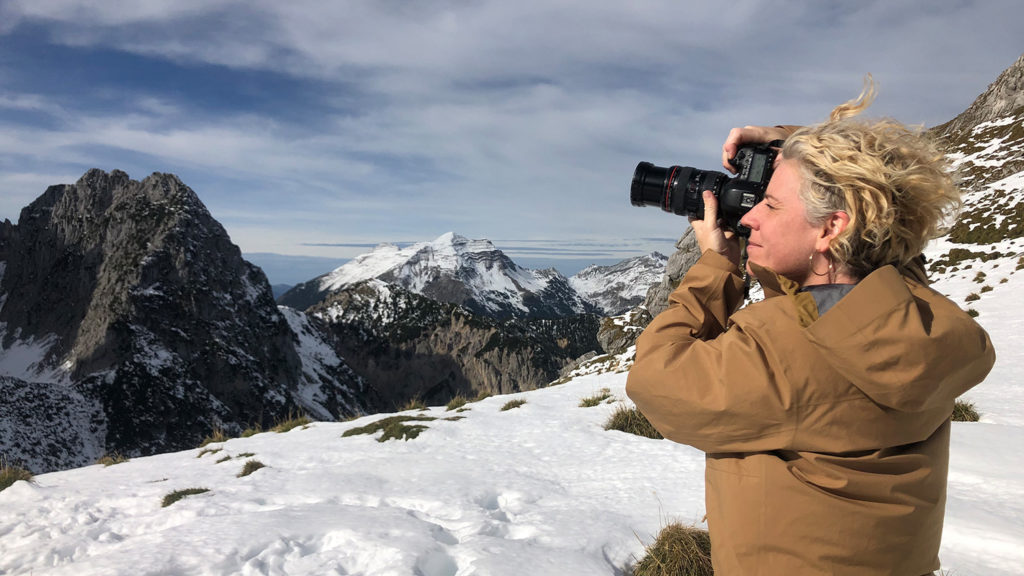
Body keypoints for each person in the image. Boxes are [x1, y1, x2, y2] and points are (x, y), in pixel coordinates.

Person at [625, 81, 996, 576]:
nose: (750, 215)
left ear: (831, 228)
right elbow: (882, 194)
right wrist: (786, 149)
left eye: (770, 204)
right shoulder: (913, 314)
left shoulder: (781, 355)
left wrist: (716, 266)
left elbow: (653, 378)